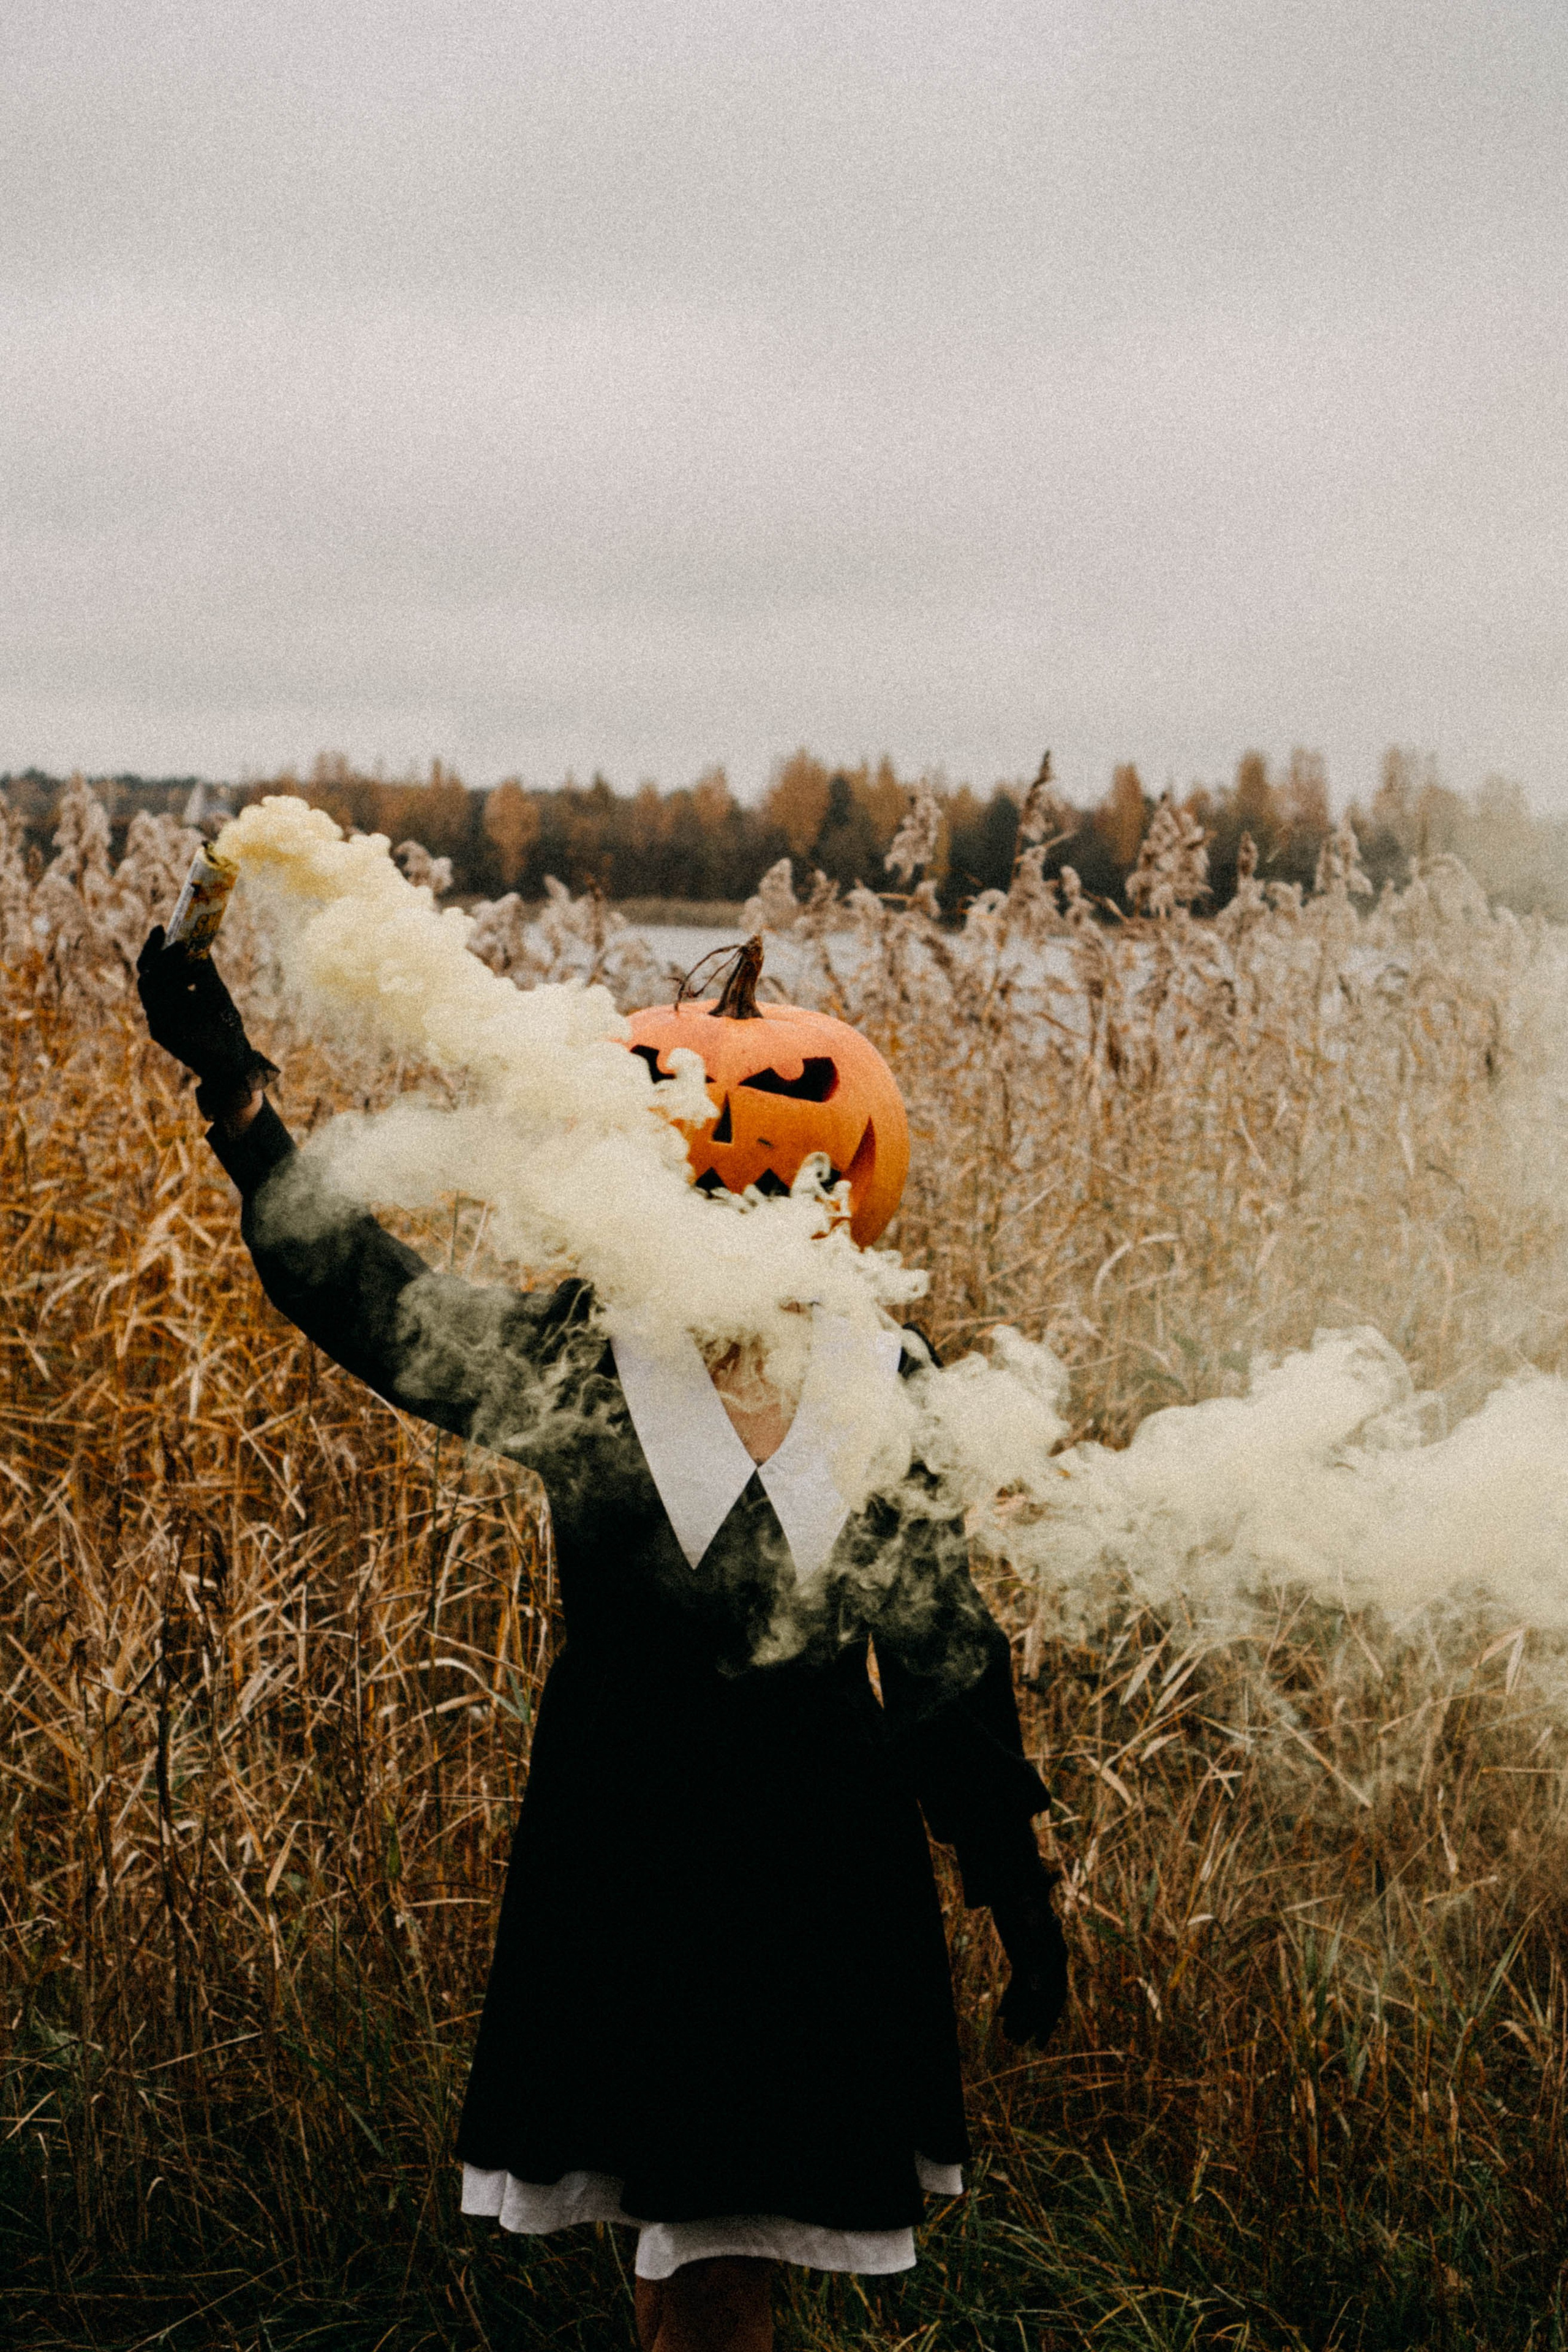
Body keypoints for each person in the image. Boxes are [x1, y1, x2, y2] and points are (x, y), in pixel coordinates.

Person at [137, 927, 1069, 2352]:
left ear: (843, 1168)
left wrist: (1011, 1882)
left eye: (796, 1129)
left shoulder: (894, 1373)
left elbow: (941, 1643)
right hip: (633, 1839)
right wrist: (243, 1107)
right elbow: (377, 1304)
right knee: (704, 2266)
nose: (746, 1169)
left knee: (705, 2260)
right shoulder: (589, 1349)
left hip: (820, 1860)